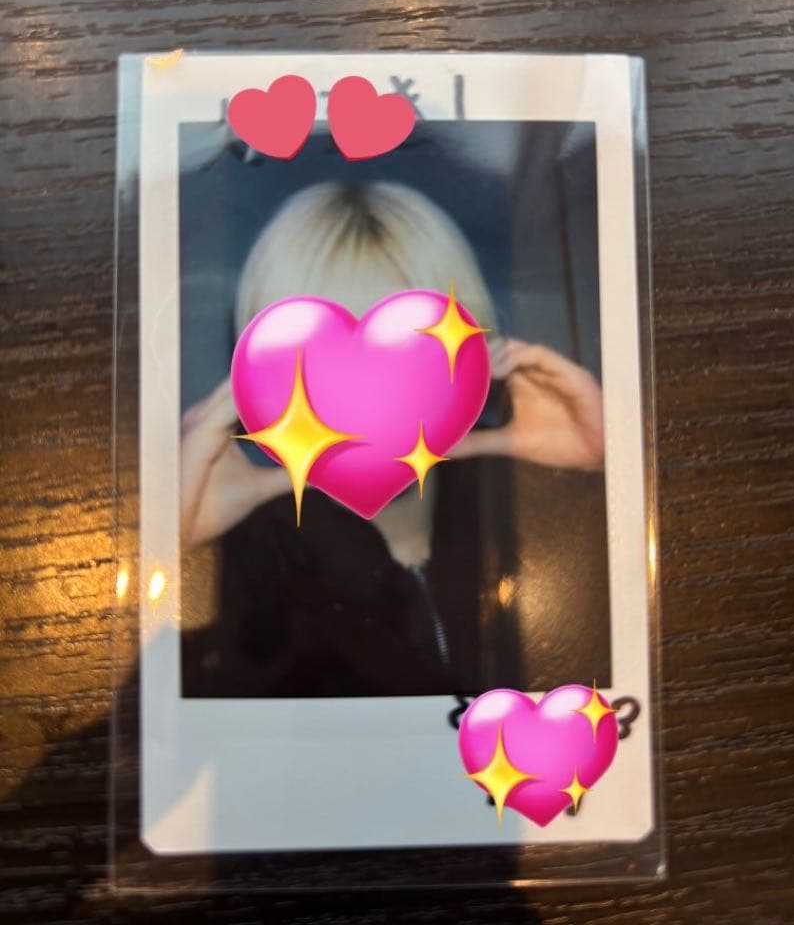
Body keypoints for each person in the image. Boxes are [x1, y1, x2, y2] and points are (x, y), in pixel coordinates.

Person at [180, 181, 608, 701]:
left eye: (411, 353)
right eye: (323, 366)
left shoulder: (530, 517)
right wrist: (184, 552)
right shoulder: (251, 573)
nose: (373, 396)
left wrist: (598, 479)